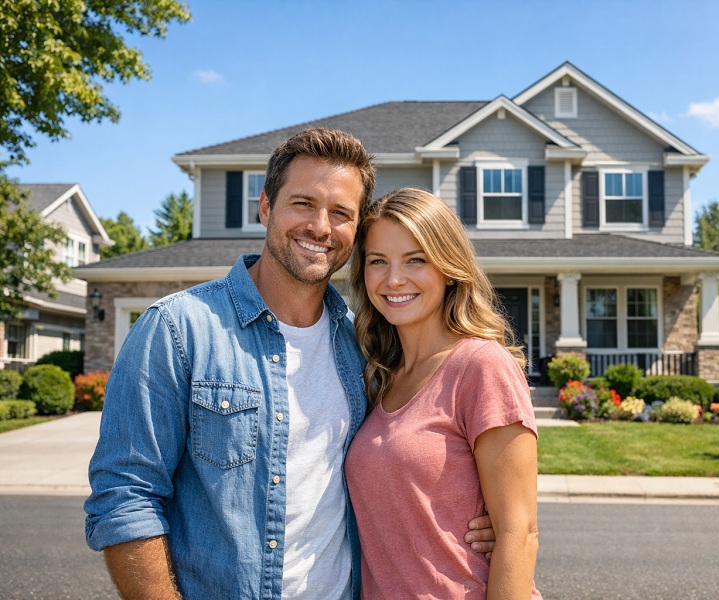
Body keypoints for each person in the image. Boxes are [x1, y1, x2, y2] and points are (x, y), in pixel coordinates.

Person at [84, 128, 495, 600]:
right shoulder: (179, 330)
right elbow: (125, 497)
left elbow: (404, 465)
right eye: (302, 203)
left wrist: (482, 521)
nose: (320, 227)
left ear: (356, 230)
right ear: (265, 208)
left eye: (340, 213)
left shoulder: (364, 345)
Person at [345, 187, 542, 599]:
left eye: (416, 260)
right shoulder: (378, 375)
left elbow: (518, 534)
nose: (394, 279)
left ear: (448, 267)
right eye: (378, 261)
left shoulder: (481, 366)